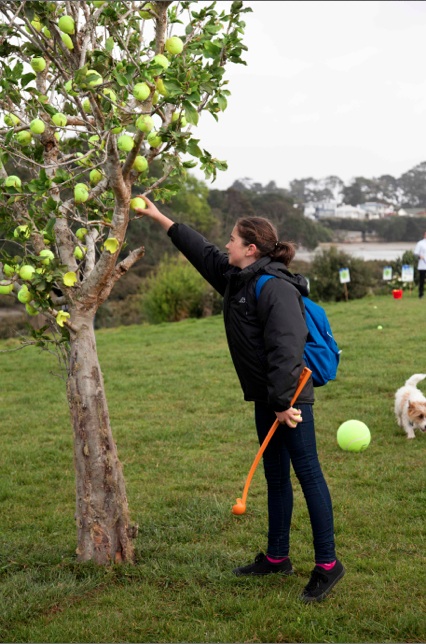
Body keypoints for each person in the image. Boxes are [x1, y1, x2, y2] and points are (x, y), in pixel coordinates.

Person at [136, 195, 345, 603]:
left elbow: (288, 347)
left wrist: (285, 404)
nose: (226, 244)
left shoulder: (275, 287)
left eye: (232, 239)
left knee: (308, 474)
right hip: (270, 398)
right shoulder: (238, 278)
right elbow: (201, 251)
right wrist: (158, 216)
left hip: (291, 400)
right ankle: (277, 558)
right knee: (276, 477)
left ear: (251, 248)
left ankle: (327, 565)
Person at [414, 232, 426, 298]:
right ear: (424, 235)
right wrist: (420, 256)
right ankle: (421, 294)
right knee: (422, 280)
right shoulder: (420, 243)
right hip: (422, 265)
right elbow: (415, 253)